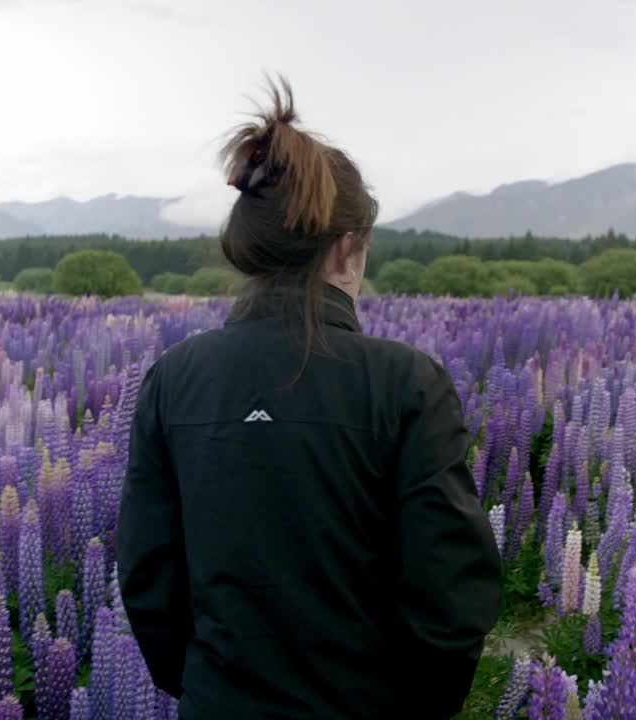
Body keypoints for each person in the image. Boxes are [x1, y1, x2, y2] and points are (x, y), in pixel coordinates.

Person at [117, 76, 502, 720]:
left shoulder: (174, 376)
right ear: (348, 248)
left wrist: (206, 687)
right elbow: (451, 591)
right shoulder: (407, 381)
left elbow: (149, 576)